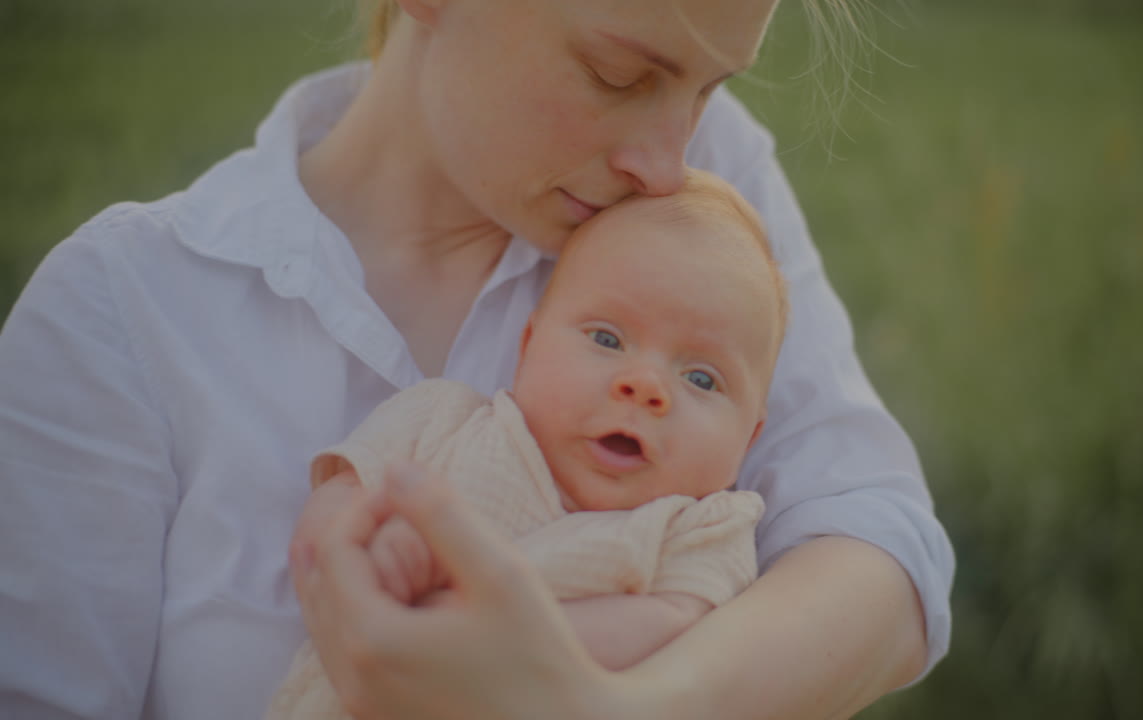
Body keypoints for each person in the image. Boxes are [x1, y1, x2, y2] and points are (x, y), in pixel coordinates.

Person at [0, 0, 955, 718]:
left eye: (710, 89)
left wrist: (604, 706)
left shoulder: (701, 194)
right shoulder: (123, 311)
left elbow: (881, 545)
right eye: (617, 75)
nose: (667, 164)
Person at [268, 170, 784, 718]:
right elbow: (339, 498)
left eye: (701, 378)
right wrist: (356, 558)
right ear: (529, 345)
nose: (645, 386)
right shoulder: (443, 417)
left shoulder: (703, 526)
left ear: (749, 438)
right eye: (607, 339)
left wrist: (499, 644)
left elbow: (675, 627)